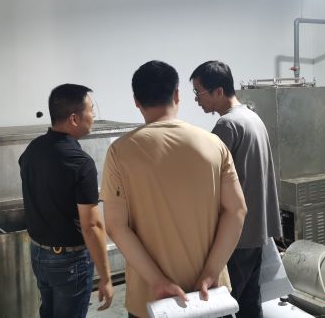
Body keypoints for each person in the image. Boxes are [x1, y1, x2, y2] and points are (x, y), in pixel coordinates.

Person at [101, 60, 248, 318]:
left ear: (136, 101)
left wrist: (157, 281)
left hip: (153, 301)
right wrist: (211, 272)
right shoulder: (214, 144)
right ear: (177, 95)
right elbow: (237, 211)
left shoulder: (119, 152)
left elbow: (116, 226)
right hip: (210, 296)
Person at [190, 61, 282, 318]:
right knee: (250, 302)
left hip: (237, 235)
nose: (196, 99)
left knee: (225, 305)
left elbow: (208, 181)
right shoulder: (252, 117)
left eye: (198, 92)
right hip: (257, 229)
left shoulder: (227, 126)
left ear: (218, 91)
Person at [19, 84, 113, 318]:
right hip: (70, 262)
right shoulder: (81, 163)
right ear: (74, 118)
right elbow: (92, 226)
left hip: (38, 254)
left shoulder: (32, 149)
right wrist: (106, 277)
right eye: (91, 110)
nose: (94, 116)